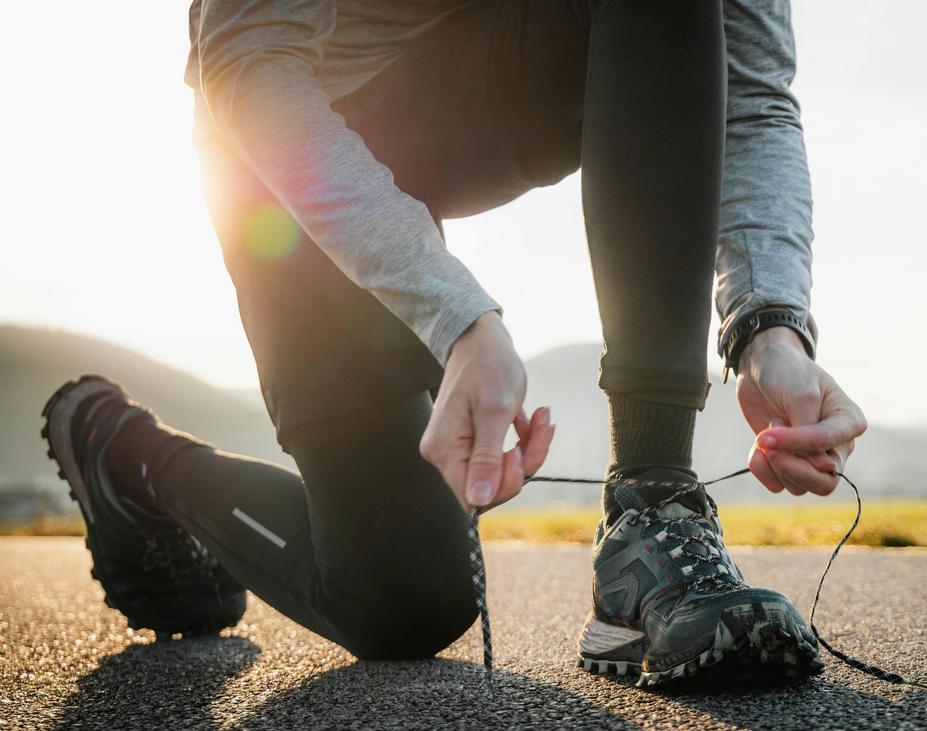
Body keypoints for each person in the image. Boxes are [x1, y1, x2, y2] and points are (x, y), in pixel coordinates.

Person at [42, 0, 867, 686]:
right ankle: (126, 453)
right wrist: (459, 317)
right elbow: (246, 59)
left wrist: (771, 324)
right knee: (405, 601)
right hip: (284, 136)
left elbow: (751, 94)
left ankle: (651, 509)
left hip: (480, 91)